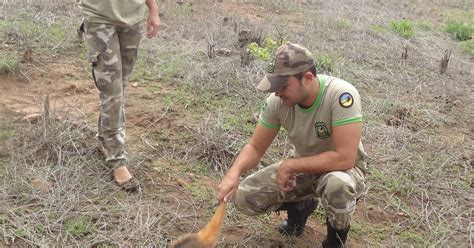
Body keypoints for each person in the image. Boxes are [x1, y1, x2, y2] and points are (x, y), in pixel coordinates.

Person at [217, 42, 367, 247]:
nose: (277, 92)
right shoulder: (277, 102)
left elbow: (345, 157)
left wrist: (291, 165)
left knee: (336, 185)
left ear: (307, 78)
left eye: (283, 86)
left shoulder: (341, 95)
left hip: (344, 171)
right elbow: (255, 147)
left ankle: (335, 240)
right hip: (304, 168)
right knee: (245, 196)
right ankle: (300, 209)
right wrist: (234, 172)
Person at [77, 0, 160, 191]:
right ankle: (117, 161)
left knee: (120, 88)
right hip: (99, 17)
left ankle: (105, 140)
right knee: (112, 90)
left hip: (133, 18)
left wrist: (153, 9)